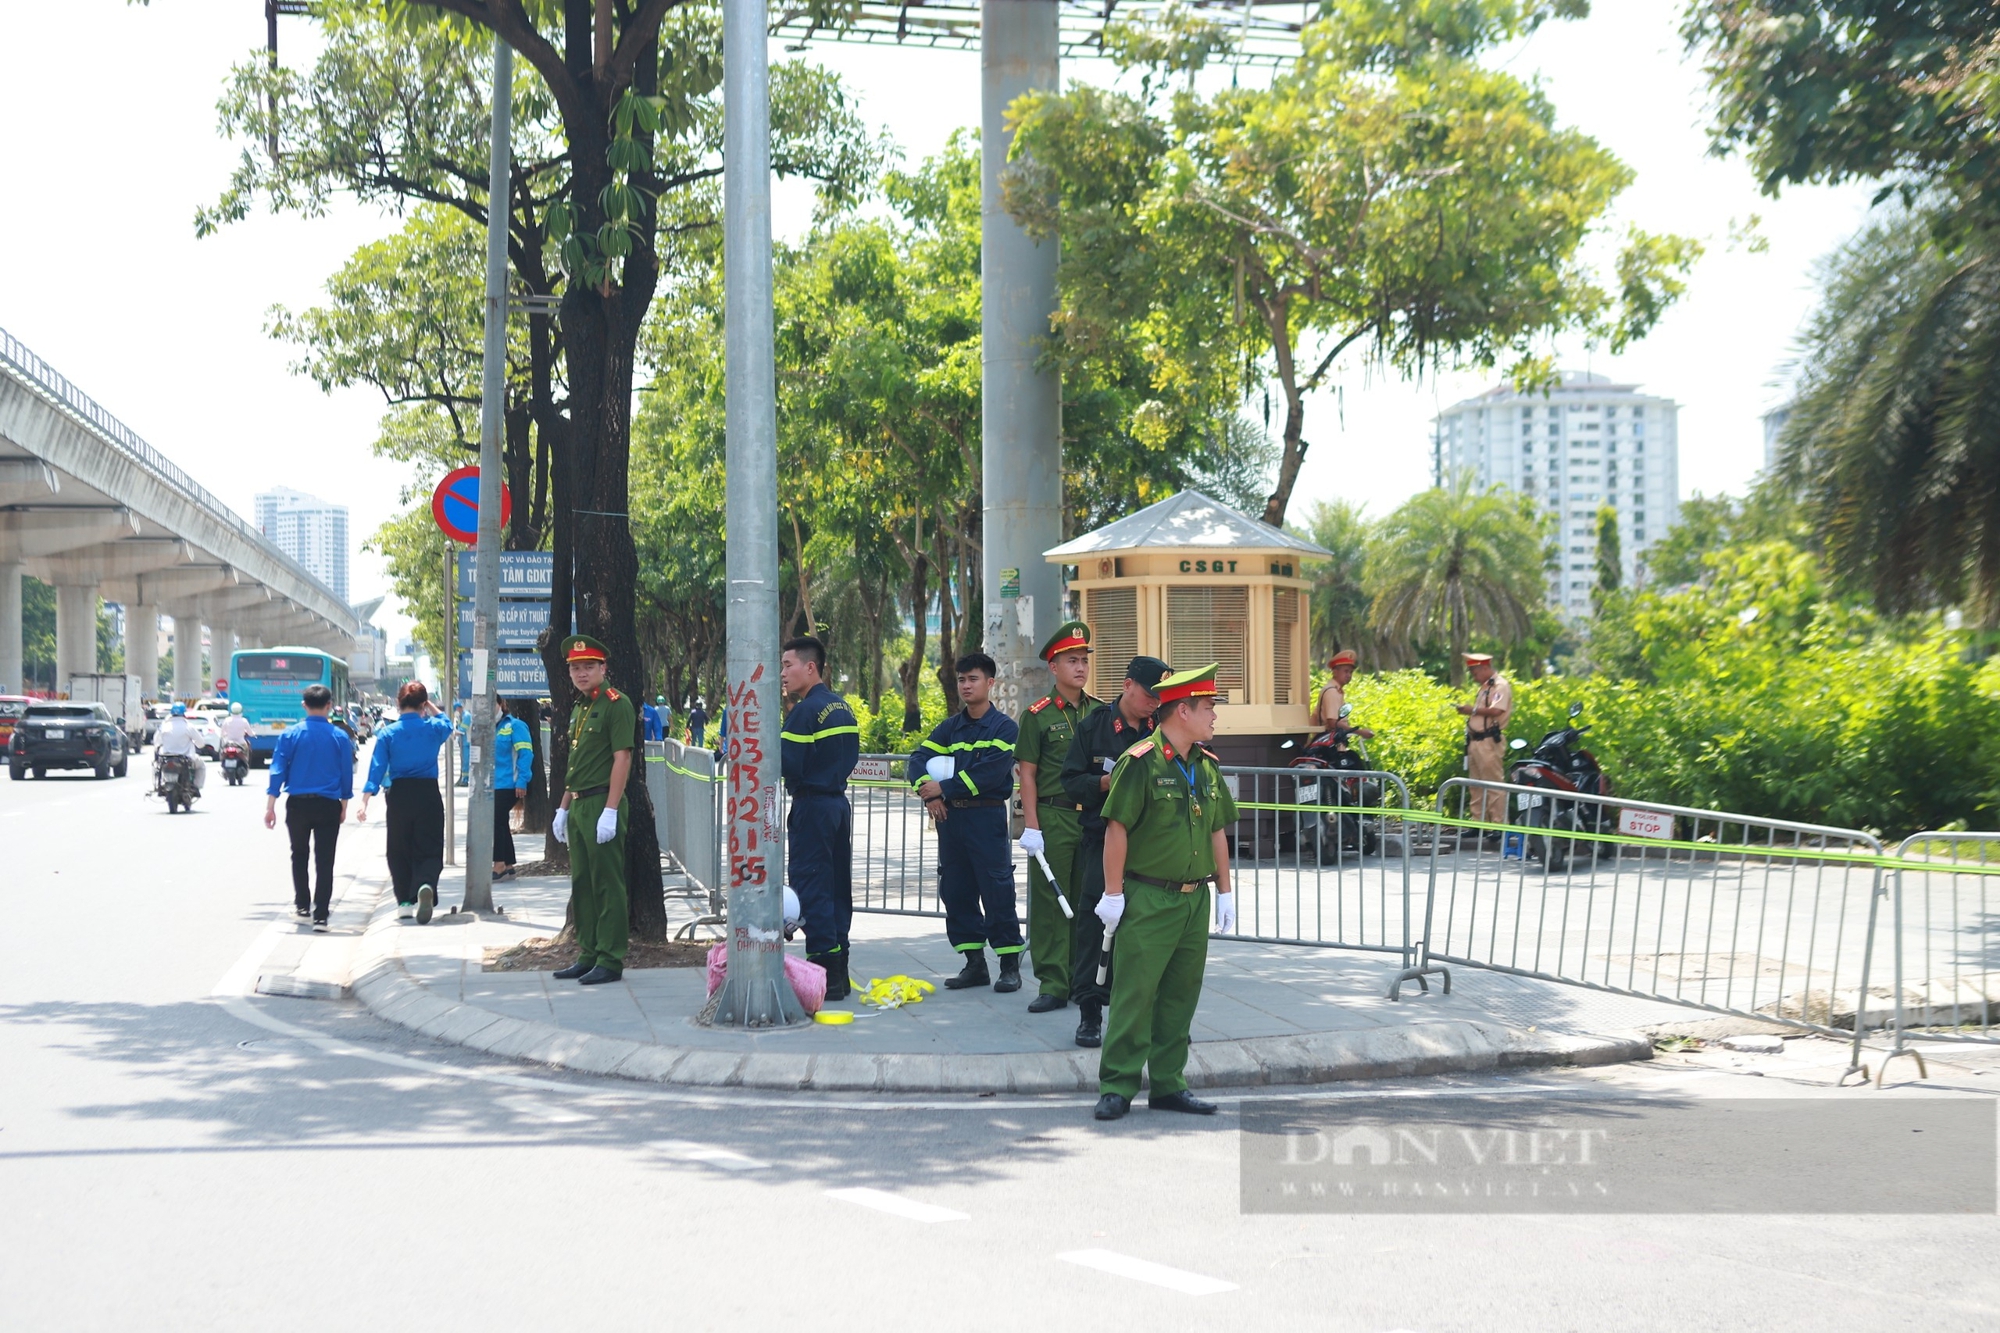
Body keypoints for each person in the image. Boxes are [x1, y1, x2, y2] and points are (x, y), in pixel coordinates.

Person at [1091, 663, 1238, 1121]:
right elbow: (1117, 829)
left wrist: (1226, 891)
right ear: (1182, 711)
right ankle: (1117, 1085)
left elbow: (1217, 830)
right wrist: (1113, 894)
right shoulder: (1141, 762)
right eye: (1208, 708)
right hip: (1150, 896)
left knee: (1180, 995)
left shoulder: (1206, 766)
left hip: (1194, 898)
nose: (1214, 717)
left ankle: (1170, 1084)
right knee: (1135, 994)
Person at [1059, 654, 1171, 1047]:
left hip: (1151, 849)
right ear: (1127, 686)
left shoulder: (1165, 728)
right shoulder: (1095, 727)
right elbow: (1070, 781)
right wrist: (1106, 783)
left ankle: (1156, 1017)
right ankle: (1089, 1014)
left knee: (1149, 936)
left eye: (1159, 696)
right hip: (1101, 844)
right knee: (1094, 930)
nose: (1154, 702)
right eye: (1148, 694)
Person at [907, 653, 1022, 991]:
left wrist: (944, 786)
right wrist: (929, 795)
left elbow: (990, 773)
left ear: (990, 683)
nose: (966, 685)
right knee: (956, 890)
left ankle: (1009, 965)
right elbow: (918, 759)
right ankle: (974, 963)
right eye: (961, 680)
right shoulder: (951, 727)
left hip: (985, 817)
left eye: (973, 679)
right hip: (950, 819)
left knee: (996, 889)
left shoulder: (1004, 727)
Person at [1014, 620, 1100, 1014]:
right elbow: (1027, 773)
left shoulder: (1100, 712)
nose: (1080, 668)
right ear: (1053, 666)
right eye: (1071, 661)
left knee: (1088, 901)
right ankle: (1052, 982)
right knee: (1052, 903)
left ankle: (1084, 982)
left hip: (1093, 820)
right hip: (1054, 815)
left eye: (1083, 660)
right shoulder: (1037, 715)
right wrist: (1031, 825)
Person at [549, 635, 636, 985]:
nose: (581, 673)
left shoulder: (617, 704)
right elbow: (578, 764)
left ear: (603, 668)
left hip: (603, 801)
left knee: (607, 883)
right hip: (581, 803)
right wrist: (563, 807)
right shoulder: (581, 707)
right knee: (582, 883)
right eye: (575, 668)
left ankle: (610, 958)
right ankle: (587, 952)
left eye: (588, 667)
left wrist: (611, 810)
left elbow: (622, 758)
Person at [778, 635, 861, 1000]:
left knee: (812, 887)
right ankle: (839, 967)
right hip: (837, 806)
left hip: (812, 806)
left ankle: (824, 975)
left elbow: (786, 764)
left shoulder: (804, 712)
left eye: (787, 665)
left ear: (810, 667)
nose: (783, 673)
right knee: (837, 887)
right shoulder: (842, 707)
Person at [354, 682, 455, 922]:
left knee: (399, 848)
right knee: (429, 845)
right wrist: (429, 705)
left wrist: (365, 800)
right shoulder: (433, 729)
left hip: (399, 794)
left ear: (398, 704)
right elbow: (448, 723)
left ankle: (405, 903)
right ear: (422, 704)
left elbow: (377, 768)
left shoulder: (388, 733)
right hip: (428, 793)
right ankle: (426, 883)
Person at [263, 684, 355, 932]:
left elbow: (277, 770)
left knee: (299, 854)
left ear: (304, 705)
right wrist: (343, 805)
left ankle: (302, 905)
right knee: (325, 861)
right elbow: (346, 775)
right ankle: (322, 916)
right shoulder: (340, 736)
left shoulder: (290, 734)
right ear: (329, 706)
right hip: (328, 805)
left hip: (298, 805)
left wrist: (271, 805)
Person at [1456, 652, 1514, 843]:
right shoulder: (1485, 687)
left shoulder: (1500, 686)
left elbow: (1497, 710)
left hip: (1489, 742)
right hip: (1476, 741)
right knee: (1476, 785)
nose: (1473, 676)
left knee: (1494, 784)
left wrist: (1471, 710)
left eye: (1474, 672)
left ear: (1484, 668)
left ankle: (1498, 825)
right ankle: (1478, 823)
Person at [493, 706, 535, 879]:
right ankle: (508, 864)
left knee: (495, 821)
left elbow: (526, 754)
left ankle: (499, 863)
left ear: (499, 703)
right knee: (500, 821)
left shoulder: (515, 726)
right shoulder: (487, 727)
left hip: (509, 784)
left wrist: (522, 781)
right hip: (492, 784)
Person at [1315, 650, 1375, 742]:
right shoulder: (1332, 691)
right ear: (1335, 672)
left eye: (1351, 672)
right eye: (1346, 671)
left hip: (1333, 742)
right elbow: (1333, 723)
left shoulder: (1337, 690)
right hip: (1327, 744)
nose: (1349, 675)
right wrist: (1360, 732)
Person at [155, 702, 207, 791]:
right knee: (201, 766)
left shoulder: (164, 726)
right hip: (185, 759)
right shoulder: (189, 727)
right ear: (183, 713)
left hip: (166, 758)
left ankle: (157, 785)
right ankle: (196, 787)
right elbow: (201, 743)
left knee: (156, 767)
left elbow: (156, 741)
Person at [451, 702, 470, 786]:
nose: (456, 712)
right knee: (463, 761)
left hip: (468, 742)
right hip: (463, 743)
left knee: (466, 762)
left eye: (455, 710)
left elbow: (462, 730)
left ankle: (465, 780)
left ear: (459, 708)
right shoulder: (461, 716)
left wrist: (453, 733)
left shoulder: (467, 716)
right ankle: (462, 778)